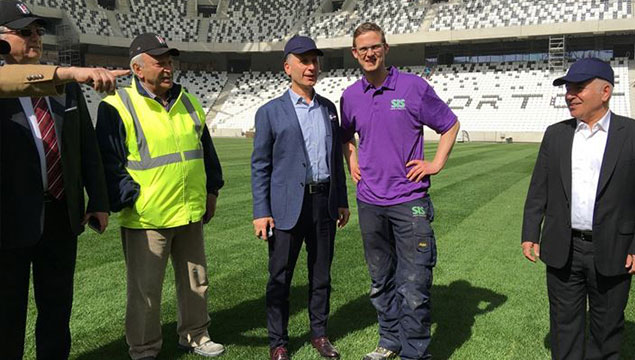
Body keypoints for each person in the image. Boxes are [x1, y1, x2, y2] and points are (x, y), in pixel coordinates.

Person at [95, 33, 224, 360]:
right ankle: (144, 349)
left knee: (197, 282)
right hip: (146, 217)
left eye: (169, 61)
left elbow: (205, 153)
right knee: (145, 292)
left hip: (190, 211)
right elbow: (108, 163)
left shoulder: (190, 102)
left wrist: (212, 190)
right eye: (159, 62)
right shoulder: (117, 105)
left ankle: (196, 335)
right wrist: (132, 196)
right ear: (138, 69)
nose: (168, 68)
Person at [340, 22, 459, 360]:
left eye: (375, 46)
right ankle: (389, 341)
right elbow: (345, 135)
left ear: (385, 48)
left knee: (414, 283)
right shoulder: (349, 96)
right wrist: (351, 160)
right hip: (369, 202)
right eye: (363, 48)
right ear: (354, 54)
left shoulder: (413, 87)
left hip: (411, 202)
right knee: (380, 281)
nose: (369, 53)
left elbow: (450, 124)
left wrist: (435, 163)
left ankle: (415, 352)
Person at [0, 1, 110, 359]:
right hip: (9, 219)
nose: (35, 38)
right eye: (24, 31)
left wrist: (98, 201)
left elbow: (85, 146)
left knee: (57, 309)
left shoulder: (65, 88)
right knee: (6, 315)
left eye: (38, 31)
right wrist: (70, 72)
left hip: (62, 215)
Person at [522, 58, 635, 360]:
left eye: (579, 87)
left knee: (607, 330)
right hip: (564, 248)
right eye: (568, 87)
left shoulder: (631, 134)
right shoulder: (556, 134)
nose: (570, 94)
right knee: (564, 328)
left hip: (614, 248)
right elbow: (538, 189)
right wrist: (530, 232)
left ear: (606, 91)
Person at [251, 35, 350, 360]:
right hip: (285, 208)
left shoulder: (328, 108)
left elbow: (336, 158)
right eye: (304, 61)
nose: (311, 67)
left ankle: (319, 334)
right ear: (287, 67)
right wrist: (261, 211)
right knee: (280, 277)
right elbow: (260, 166)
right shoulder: (270, 112)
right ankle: (278, 341)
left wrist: (341, 200)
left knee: (321, 275)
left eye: (314, 61)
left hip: (323, 203)